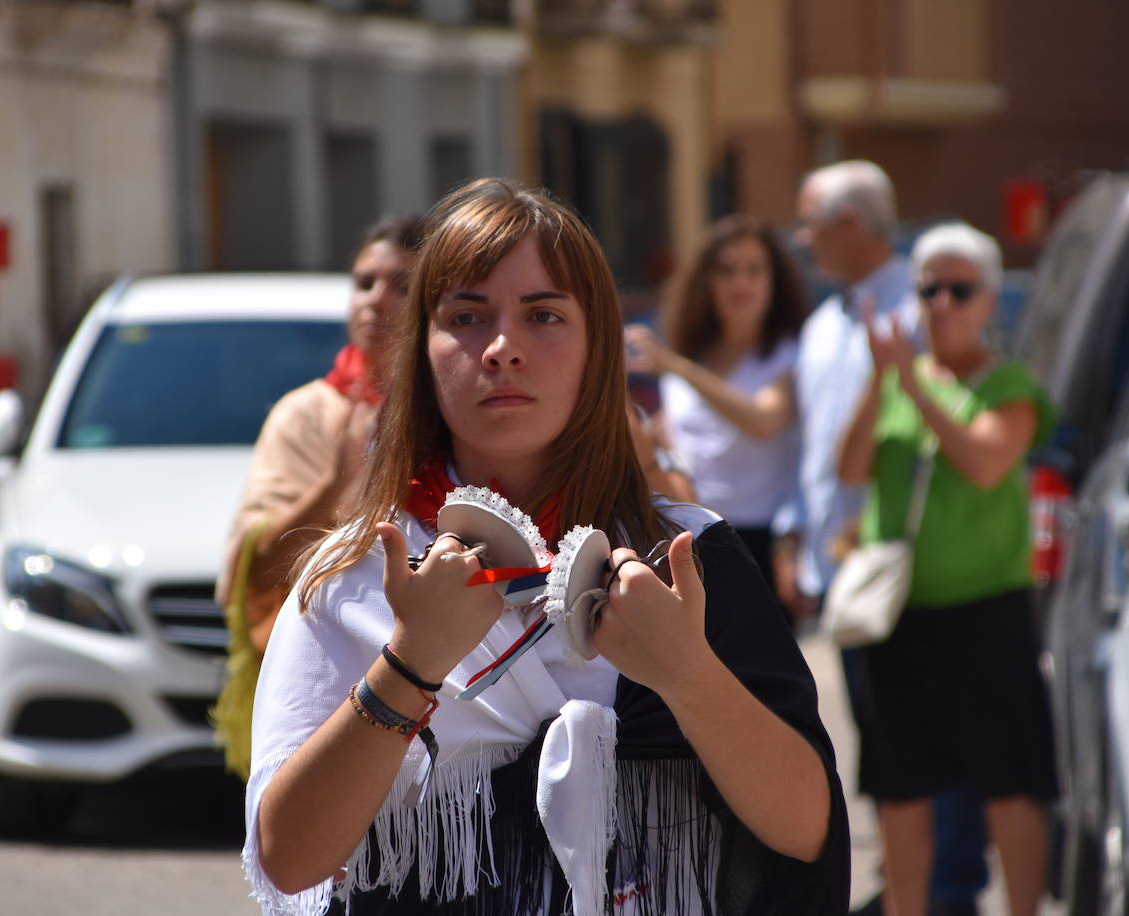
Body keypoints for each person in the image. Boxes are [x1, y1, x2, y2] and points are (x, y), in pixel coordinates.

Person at [243, 178, 850, 914]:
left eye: (544, 316)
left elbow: (808, 831)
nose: (502, 349)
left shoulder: (684, 557)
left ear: (597, 347)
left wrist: (687, 675)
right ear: (421, 352)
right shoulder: (357, 571)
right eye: (466, 316)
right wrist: (412, 663)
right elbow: (288, 861)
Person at [782, 161, 989, 915]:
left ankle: (950, 891)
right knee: (887, 747)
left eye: (808, 221)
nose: (800, 239)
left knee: (938, 742)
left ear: (848, 222)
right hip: (850, 569)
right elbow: (817, 452)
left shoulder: (927, 307)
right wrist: (795, 539)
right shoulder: (825, 320)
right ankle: (909, 890)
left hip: (921, 565)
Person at [837, 222, 1058, 916]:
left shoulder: (1009, 383)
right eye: (929, 289)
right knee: (899, 788)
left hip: (988, 610)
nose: (942, 304)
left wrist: (917, 387)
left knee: (1011, 782)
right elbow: (847, 468)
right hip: (901, 617)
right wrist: (883, 382)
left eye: (960, 290)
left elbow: (988, 462)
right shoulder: (898, 379)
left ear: (989, 300)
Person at [210, 214, 423, 781]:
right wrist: (335, 481)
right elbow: (253, 571)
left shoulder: (458, 412)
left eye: (403, 285)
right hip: (325, 680)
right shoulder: (305, 414)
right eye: (365, 282)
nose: (376, 300)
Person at [624, 215, 808, 601]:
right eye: (726, 270)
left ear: (774, 281)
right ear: (706, 281)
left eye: (754, 270)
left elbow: (764, 421)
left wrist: (675, 366)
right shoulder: (693, 355)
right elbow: (669, 440)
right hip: (689, 534)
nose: (741, 283)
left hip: (760, 541)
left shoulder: (787, 355)